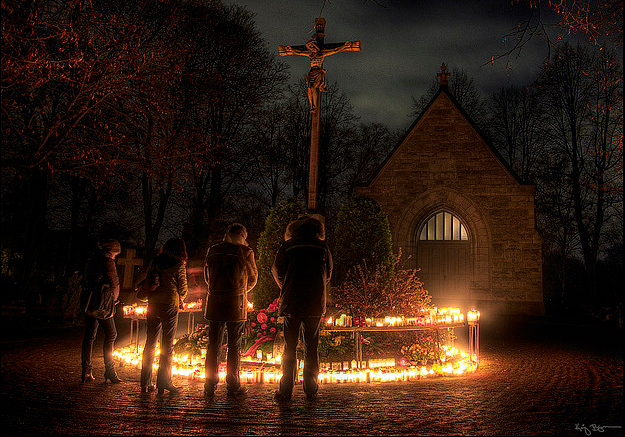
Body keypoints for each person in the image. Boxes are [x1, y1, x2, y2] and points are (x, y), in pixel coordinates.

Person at [271, 215, 333, 401]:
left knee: (289, 346)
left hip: (292, 301)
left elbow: (277, 271)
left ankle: (286, 388)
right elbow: (328, 273)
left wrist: (287, 286)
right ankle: (311, 387)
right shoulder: (322, 247)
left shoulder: (288, 246)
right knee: (311, 346)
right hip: (314, 302)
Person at [203, 223, 258, 397]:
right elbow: (253, 277)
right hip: (236, 303)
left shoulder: (213, 250)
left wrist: (216, 288)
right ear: (242, 235)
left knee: (213, 344)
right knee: (235, 345)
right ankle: (233, 384)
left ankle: (209, 384)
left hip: (215, 301)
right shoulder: (245, 252)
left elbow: (207, 276)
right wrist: (241, 290)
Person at [140, 237, 188, 394]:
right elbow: (183, 288)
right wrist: (181, 299)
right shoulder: (179, 265)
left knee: (150, 342)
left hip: (153, 303)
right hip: (169, 304)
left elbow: (147, 279)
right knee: (167, 345)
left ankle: (145, 382)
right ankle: (164, 382)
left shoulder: (155, 261)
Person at [80, 239, 122, 383]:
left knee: (89, 337)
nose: (115, 257)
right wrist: (114, 299)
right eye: (116, 254)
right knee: (111, 334)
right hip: (102, 303)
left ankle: (86, 371)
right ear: (112, 252)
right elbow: (114, 282)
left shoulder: (93, 260)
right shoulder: (108, 262)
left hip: (90, 302)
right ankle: (110, 371)